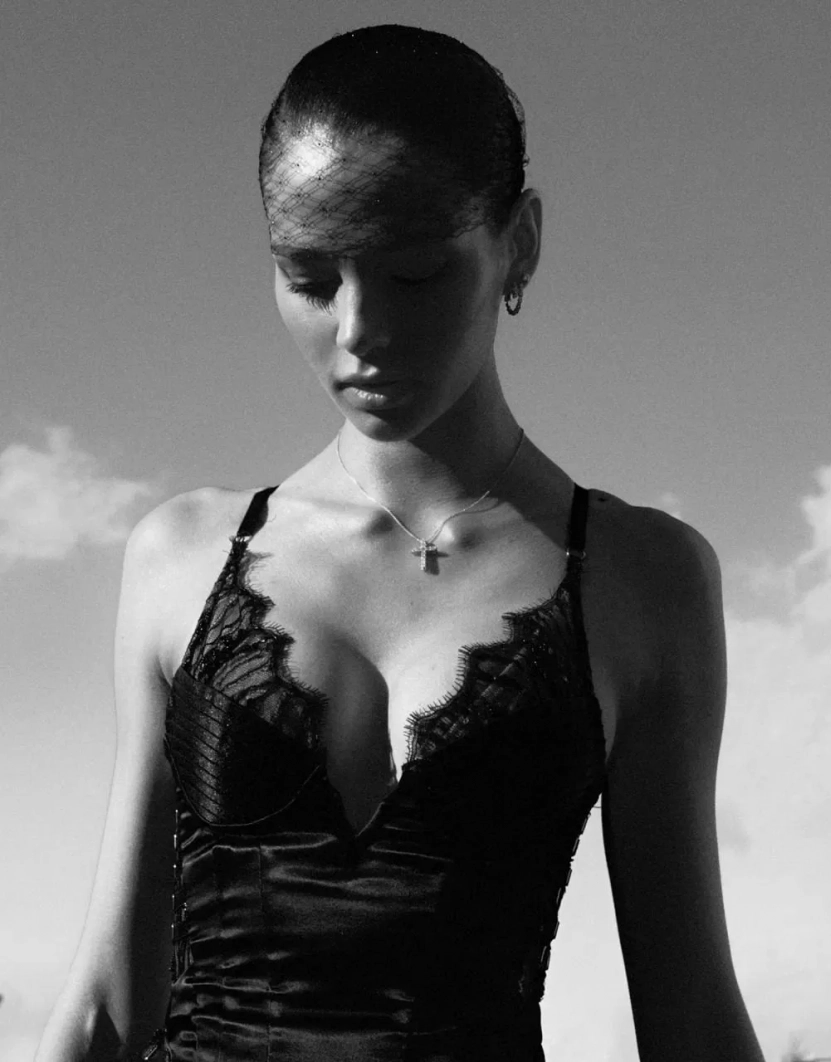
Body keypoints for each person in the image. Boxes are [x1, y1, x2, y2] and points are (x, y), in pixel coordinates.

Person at [36, 24, 766, 1062]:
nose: (357, 331)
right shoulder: (181, 555)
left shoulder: (645, 580)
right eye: (308, 277)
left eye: (415, 275)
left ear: (518, 244)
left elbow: (690, 1019)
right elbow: (108, 1007)